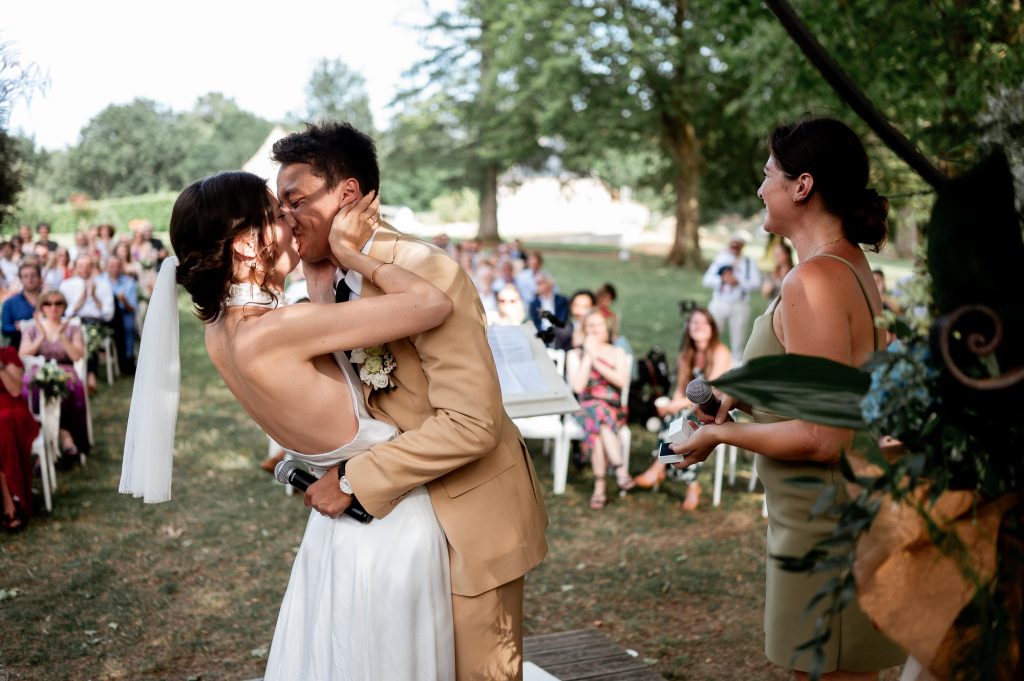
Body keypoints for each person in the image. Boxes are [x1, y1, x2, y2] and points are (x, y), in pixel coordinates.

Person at [121, 172, 457, 680]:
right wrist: (355, 254)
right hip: (391, 521)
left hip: (336, 530)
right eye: (277, 215)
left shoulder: (222, 332)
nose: (291, 220)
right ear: (245, 243)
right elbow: (434, 304)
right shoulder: (279, 329)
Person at [272, 121, 548, 680]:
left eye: (294, 201)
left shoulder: (425, 272)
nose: (284, 220)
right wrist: (322, 293)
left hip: (467, 523)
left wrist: (353, 480)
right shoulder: (322, 285)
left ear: (346, 194)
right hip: (395, 532)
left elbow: (472, 424)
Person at [670, 117, 905, 678]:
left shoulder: (816, 281)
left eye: (768, 173)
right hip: (821, 517)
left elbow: (823, 436)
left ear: (802, 186)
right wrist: (740, 393)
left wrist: (716, 434)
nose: (760, 188)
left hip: (826, 529)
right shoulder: (845, 265)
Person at [632, 308, 732, 510]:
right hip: (690, 407)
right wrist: (670, 405)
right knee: (680, 424)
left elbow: (708, 392)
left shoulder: (720, 352)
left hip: (719, 407)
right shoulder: (686, 354)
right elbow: (680, 389)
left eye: (704, 323)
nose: (699, 327)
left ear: (712, 328)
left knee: (682, 421)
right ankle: (692, 485)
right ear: (688, 328)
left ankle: (659, 466)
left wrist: (675, 406)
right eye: (694, 323)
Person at [568, 310, 635, 509]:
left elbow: (621, 381)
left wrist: (596, 359)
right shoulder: (575, 354)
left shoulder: (617, 352)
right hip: (585, 407)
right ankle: (620, 470)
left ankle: (600, 486)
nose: (595, 329)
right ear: (583, 330)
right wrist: (588, 355)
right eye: (590, 326)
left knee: (599, 419)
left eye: (599, 325)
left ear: (606, 328)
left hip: (613, 407)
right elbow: (578, 387)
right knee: (597, 415)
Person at [19, 289, 89, 458]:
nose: (53, 307)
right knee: (31, 387)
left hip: (66, 368)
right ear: (42, 307)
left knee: (71, 386)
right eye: (48, 304)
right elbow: (23, 355)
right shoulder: (33, 328)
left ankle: (66, 435)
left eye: (58, 303)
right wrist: (41, 336)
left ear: (64, 306)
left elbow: (77, 356)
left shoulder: (72, 328)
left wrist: (62, 337)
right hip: (39, 369)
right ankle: (41, 437)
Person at [703, 230, 762, 361]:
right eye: (732, 245)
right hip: (719, 302)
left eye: (738, 245)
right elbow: (706, 280)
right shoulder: (720, 259)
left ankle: (736, 365)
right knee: (712, 335)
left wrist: (738, 282)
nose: (735, 248)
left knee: (739, 341)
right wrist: (722, 280)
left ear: (742, 246)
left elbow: (756, 284)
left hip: (739, 304)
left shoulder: (748, 262)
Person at [0, 345, 37, 531]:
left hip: (14, 413)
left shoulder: (8, 353)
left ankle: (10, 504)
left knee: (3, 425)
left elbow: (15, 390)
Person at [101, 255, 138, 371]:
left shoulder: (129, 282)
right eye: (111, 266)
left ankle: (128, 358)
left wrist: (124, 301)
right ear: (106, 267)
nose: (115, 269)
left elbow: (132, 308)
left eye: (117, 266)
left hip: (123, 312)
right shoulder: (100, 281)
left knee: (129, 325)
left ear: (121, 267)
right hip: (105, 315)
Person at [2, 261, 43, 348]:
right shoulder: (10, 303)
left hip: (46, 347)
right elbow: (5, 328)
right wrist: (17, 327)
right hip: (19, 347)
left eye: (33, 275)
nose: (30, 279)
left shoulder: (51, 301)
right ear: (21, 279)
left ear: (40, 277)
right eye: (25, 276)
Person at [529, 271, 569, 345]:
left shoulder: (561, 300)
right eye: (537, 284)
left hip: (559, 336)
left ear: (549, 283)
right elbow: (535, 323)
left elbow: (562, 321)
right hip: (541, 338)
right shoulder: (534, 303)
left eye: (540, 283)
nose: (537, 287)